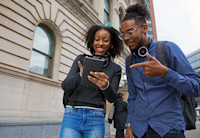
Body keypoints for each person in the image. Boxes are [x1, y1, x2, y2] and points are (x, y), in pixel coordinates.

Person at [120, 4, 200, 138]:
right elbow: (133, 97)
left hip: (169, 130)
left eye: (130, 31)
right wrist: (129, 125)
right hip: (140, 131)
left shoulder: (168, 49)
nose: (126, 38)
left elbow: (196, 87)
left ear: (144, 28)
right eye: (123, 34)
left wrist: (166, 73)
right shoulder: (129, 61)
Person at [60, 25, 124, 138]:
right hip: (72, 115)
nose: (100, 43)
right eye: (97, 39)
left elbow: (113, 98)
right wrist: (80, 75)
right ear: (92, 41)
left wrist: (106, 86)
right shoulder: (81, 59)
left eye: (105, 40)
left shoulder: (115, 68)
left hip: (96, 117)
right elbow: (65, 85)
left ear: (111, 43)